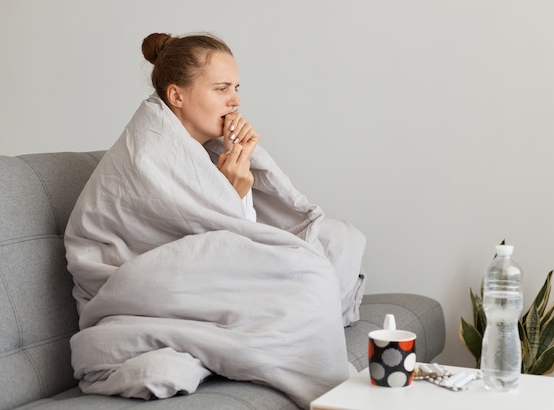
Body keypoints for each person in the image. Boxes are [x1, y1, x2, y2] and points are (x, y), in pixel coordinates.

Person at [64, 32, 367, 409]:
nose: (235, 100)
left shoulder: (203, 143)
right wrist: (237, 190)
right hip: (130, 281)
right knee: (308, 272)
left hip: (188, 265)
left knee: (340, 240)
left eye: (236, 88)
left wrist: (239, 180)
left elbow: (230, 236)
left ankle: (287, 326)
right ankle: (329, 389)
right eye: (221, 88)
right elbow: (228, 236)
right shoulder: (152, 148)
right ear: (176, 96)